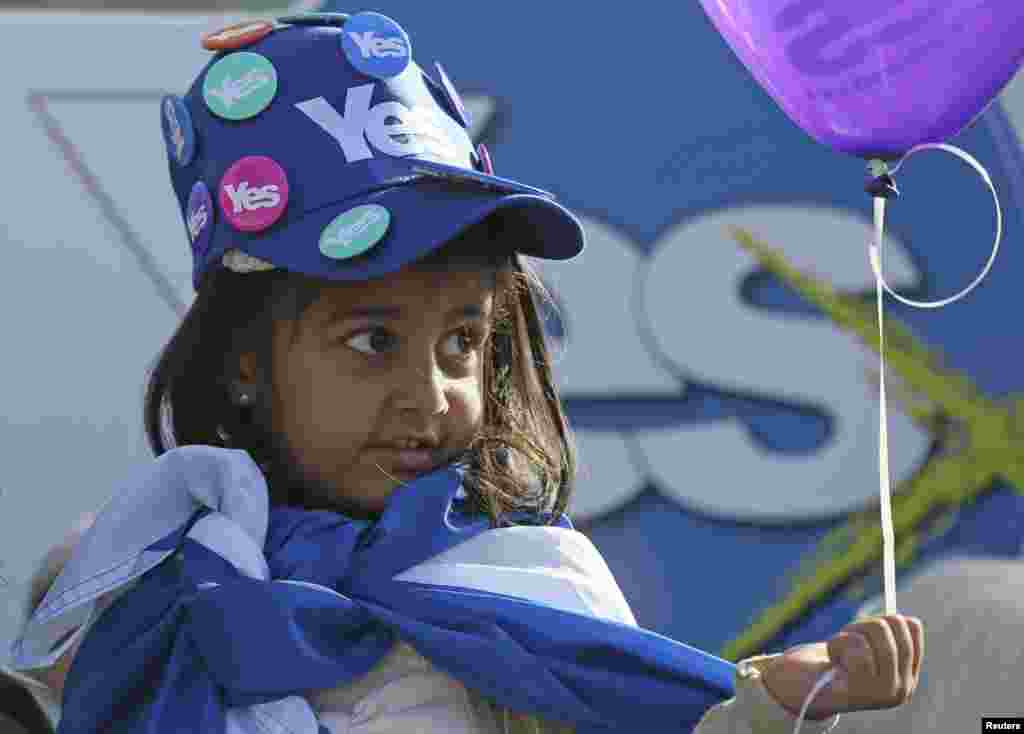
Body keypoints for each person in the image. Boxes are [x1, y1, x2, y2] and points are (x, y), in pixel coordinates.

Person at [8, 11, 922, 734]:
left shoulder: (529, 578)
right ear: (245, 360)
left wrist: (775, 700)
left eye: (461, 344)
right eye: (373, 342)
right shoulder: (128, 582)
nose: (431, 395)